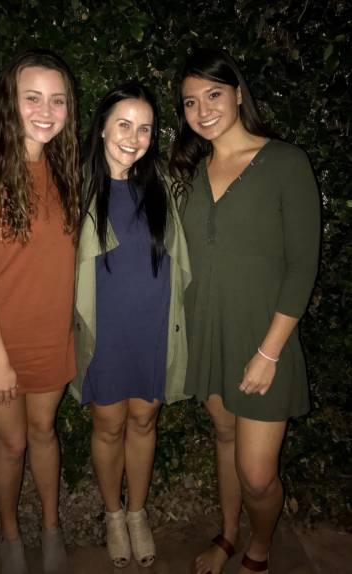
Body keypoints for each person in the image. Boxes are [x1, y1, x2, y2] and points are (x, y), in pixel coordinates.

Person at [170, 48, 320, 574]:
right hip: (209, 334)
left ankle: (260, 545)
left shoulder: (285, 162)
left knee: (257, 474)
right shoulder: (190, 173)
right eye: (191, 102)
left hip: (263, 341)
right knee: (225, 437)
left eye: (213, 94)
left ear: (238, 93)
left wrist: (269, 352)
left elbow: (302, 266)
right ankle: (228, 535)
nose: (203, 110)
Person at [0, 50, 80, 574]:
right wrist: (0, 361)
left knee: (44, 433)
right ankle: (9, 536)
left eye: (57, 100)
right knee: (11, 442)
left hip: (50, 337)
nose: (46, 111)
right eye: (33, 98)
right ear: (10, 103)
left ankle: (50, 528)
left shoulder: (63, 170)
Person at [70, 82, 191, 568]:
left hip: (154, 327)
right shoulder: (77, 186)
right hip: (105, 332)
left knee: (144, 420)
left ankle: (137, 512)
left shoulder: (163, 184)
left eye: (145, 129)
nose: (134, 138)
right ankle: (113, 513)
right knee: (108, 425)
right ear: (101, 128)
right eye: (123, 124)